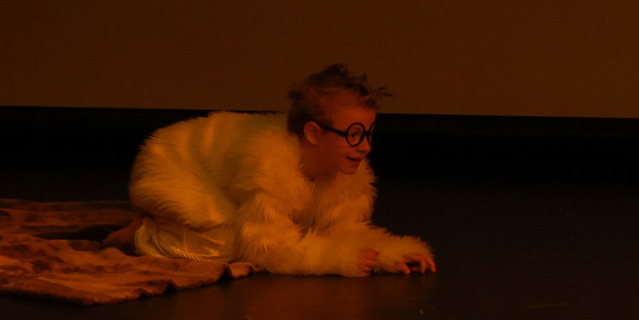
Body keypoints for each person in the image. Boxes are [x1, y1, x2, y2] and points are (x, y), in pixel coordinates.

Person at [109, 64, 435, 276]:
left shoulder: (346, 170)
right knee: (226, 243)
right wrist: (337, 260)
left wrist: (389, 255)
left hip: (214, 174)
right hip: (170, 163)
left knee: (241, 225)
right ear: (313, 133)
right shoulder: (271, 165)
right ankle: (144, 233)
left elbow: (342, 228)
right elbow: (265, 250)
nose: (364, 147)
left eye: (368, 134)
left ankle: (164, 223)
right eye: (353, 134)